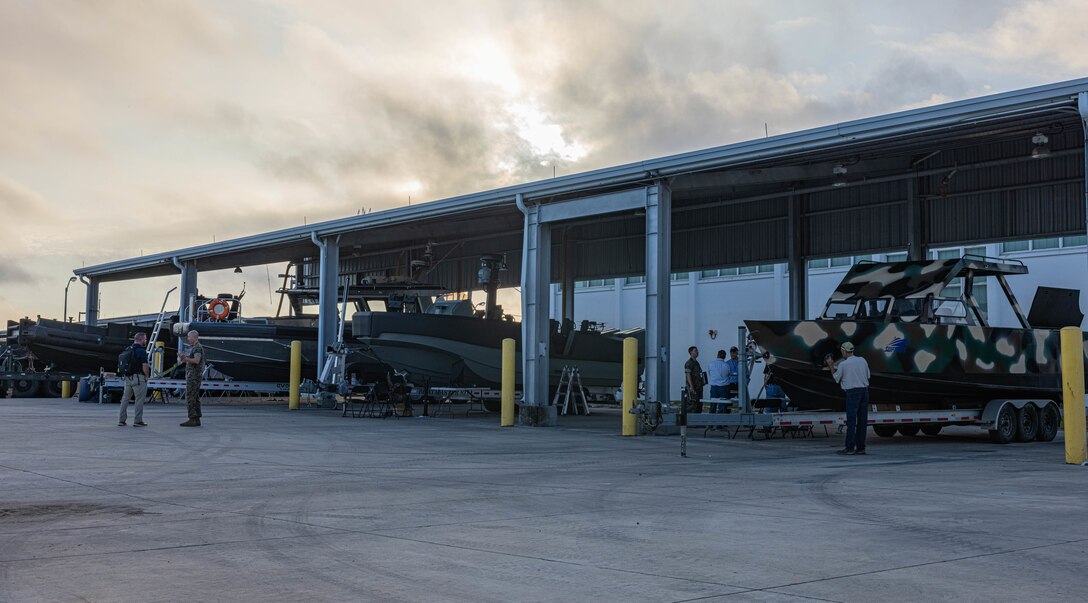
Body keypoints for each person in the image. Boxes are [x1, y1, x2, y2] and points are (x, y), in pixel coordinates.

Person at [826, 341, 870, 455]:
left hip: (852, 393)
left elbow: (836, 378)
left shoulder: (843, 364)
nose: (841, 352)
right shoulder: (862, 360)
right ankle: (861, 448)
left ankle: (850, 448)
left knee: (851, 421)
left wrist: (831, 365)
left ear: (844, 351)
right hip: (864, 391)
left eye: (842, 351)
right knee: (862, 421)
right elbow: (868, 376)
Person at [117, 332, 150, 427]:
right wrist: (146, 376)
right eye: (145, 339)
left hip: (128, 378)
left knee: (125, 399)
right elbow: (145, 365)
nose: (146, 341)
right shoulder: (141, 351)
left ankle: (121, 420)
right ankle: (138, 421)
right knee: (139, 399)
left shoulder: (128, 349)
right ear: (141, 339)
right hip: (138, 378)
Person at [178, 330, 205, 427]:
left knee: (190, 397)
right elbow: (190, 361)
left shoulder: (197, 348)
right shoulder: (195, 348)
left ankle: (192, 418)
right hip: (193, 375)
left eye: (189, 337)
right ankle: (196, 418)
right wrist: (183, 358)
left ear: (194, 337)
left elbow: (196, 360)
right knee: (195, 397)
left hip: (194, 376)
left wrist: (186, 358)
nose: (188, 339)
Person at [683, 346, 704, 412]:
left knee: (699, 405)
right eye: (695, 350)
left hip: (699, 387)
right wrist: (691, 386)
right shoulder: (689, 363)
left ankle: (697, 420)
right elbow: (688, 375)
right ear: (691, 352)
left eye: (697, 350)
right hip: (693, 388)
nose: (697, 352)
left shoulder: (696, 363)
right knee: (692, 405)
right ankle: (690, 420)